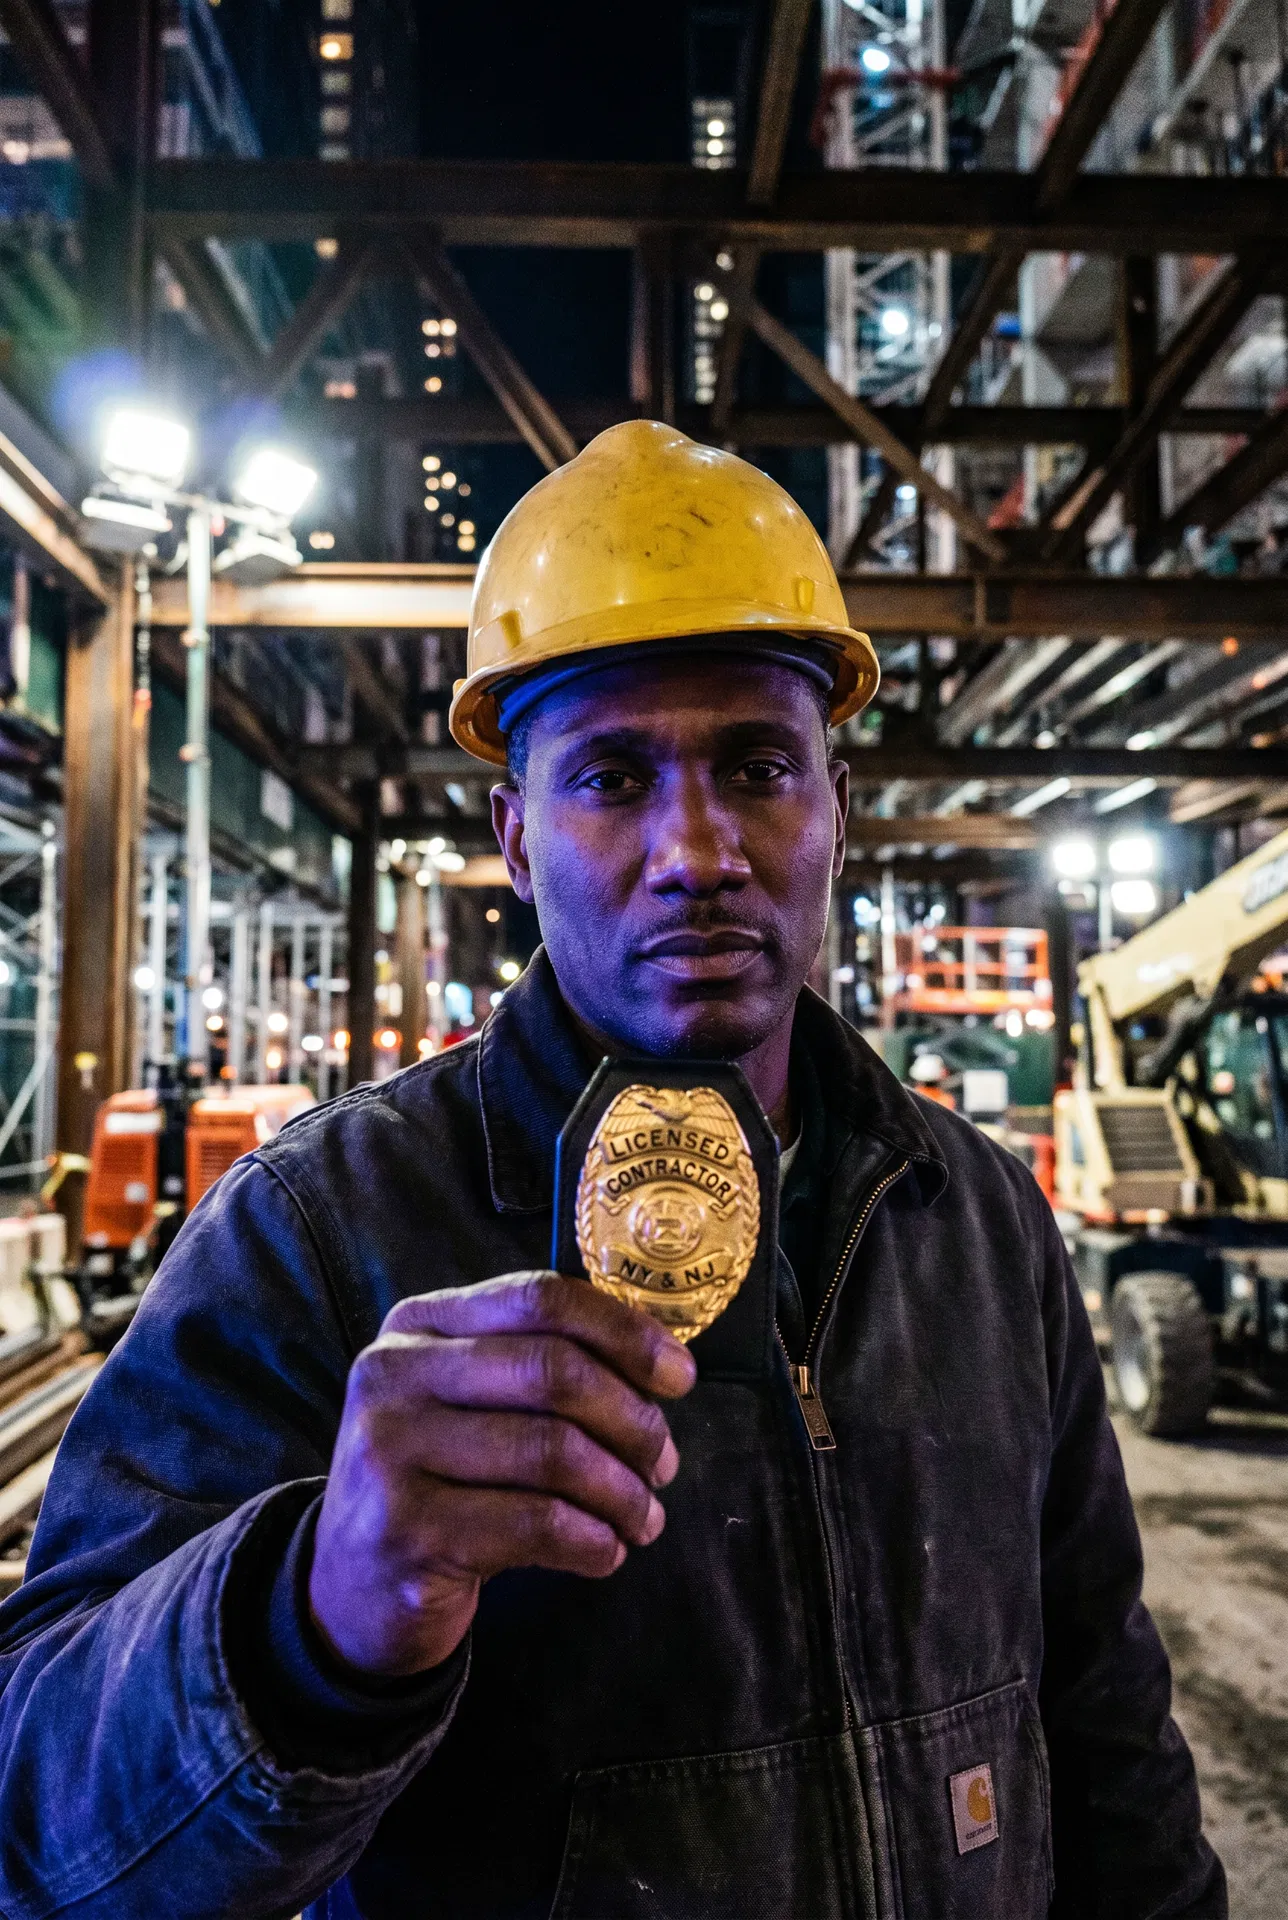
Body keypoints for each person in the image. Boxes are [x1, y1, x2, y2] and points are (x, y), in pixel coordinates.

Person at [0, 423, 1223, 1919]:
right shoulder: (318, 1237)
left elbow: (1108, 1732)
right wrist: (311, 1617)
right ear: (515, 838)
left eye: (759, 765)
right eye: (613, 778)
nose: (697, 847)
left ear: (835, 809)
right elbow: (36, 1827)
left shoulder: (974, 1220)